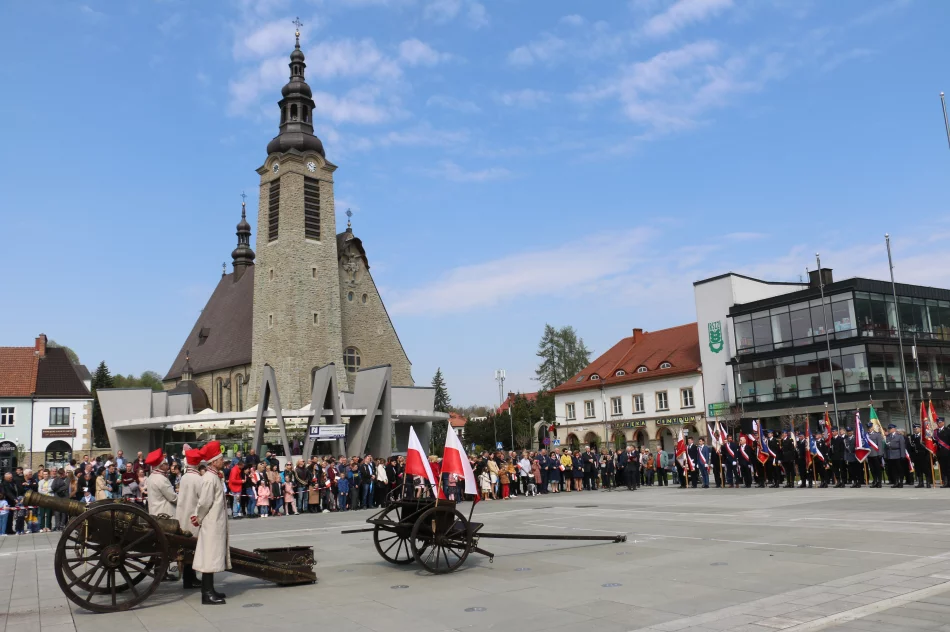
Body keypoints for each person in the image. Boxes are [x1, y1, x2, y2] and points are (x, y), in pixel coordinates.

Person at [190, 441, 230, 605]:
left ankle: (210, 589)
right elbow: (205, 502)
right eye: (221, 459)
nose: (223, 461)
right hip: (211, 523)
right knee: (209, 557)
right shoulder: (209, 478)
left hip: (215, 522)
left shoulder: (213, 476)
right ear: (214, 461)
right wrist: (198, 517)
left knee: (212, 556)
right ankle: (206, 593)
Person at [177, 448, 203, 590]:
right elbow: (203, 500)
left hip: (183, 515)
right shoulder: (198, 479)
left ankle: (189, 578)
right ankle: (190, 579)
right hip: (194, 517)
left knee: (186, 548)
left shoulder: (185, 477)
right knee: (192, 550)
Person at [145, 448, 178, 518]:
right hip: (164, 514)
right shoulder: (161, 478)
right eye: (165, 464)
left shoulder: (151, 476)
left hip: (154, 512)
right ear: (161, 466)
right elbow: (172, 497)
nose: (168, 466)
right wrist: (183, 500)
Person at [907, 423, 932, 488]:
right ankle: (921, 483)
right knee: (918, 470)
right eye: (914, 429)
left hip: (923, 455)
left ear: (920, 429)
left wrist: (927, 455)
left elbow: (928, 446)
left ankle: (928, 482)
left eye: (916, 428)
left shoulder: (924, 436)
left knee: (926, 469)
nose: (915, 430)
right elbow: (910, 447)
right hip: (916, 455)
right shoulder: (912, 437)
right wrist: (911, 456)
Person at [884, 424, 907, 489]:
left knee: (899, 469)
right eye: (889, 429)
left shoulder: (899, 436)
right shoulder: (888, 436)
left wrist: (903, 455)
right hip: (890, 455)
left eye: (890, 429)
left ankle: (901, 482)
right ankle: (896, 482)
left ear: (894, 429)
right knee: (893, 470)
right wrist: (886, 455)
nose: (889, 430)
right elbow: (886, 447)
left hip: (898, 454)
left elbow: (902, 446)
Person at [866, 422, 885, 489]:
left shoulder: (877, 435)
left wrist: (880, 454)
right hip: (869, 455)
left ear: (873, 428)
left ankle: (879, 482)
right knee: (872, 469)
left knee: (878, 469)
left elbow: (880, 445)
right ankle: (875, 481)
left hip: (876, 454)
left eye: (870, 428)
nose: (869, 429)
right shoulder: (866, 435)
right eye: (868, 428)